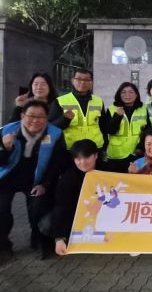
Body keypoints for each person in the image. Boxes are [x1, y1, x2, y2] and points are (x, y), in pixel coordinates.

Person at [0, 101, 66, 259]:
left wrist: (44, 184)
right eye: (31, 116)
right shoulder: (6, 131)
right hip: (7, 178)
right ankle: (3, 246)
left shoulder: (55, 133)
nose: (35, 120)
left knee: (39, 206)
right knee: (1, 210)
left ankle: (38, 240)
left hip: (36, 180)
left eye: (40, 116)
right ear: (22, 116)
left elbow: (56, 163)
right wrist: (5, 148)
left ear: (46, 118)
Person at [45, 139, 98, 257]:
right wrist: (59, 238)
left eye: (87, 157)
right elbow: (61, 206)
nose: (82, 162)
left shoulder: (108, 172)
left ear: (95, 156)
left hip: (101, 214)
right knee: (46, 223)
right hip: (76, 214)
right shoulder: (68, 178)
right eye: (78, 159)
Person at [49, 68, 107, 152]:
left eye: (86, 80)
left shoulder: (99, 101)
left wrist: (105, 145)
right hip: (71, 149)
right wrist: (65, 119)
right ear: (73, 81)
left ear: (91, 83)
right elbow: (51, 127)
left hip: (95, 147)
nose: (83, 82)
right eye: (79, 79)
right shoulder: (60, 101)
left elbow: (103, 125)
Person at [104, 82, 146, 173]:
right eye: (123, 92)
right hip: (116, 155)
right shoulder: (111, 109)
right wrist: (117, 116)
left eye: (131, 92)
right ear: (119, 94)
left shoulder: (143, 110)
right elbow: (109, 130)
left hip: (136, 154)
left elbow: (147, 131)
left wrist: (141, 148)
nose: (127, 95)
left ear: (136, 95)